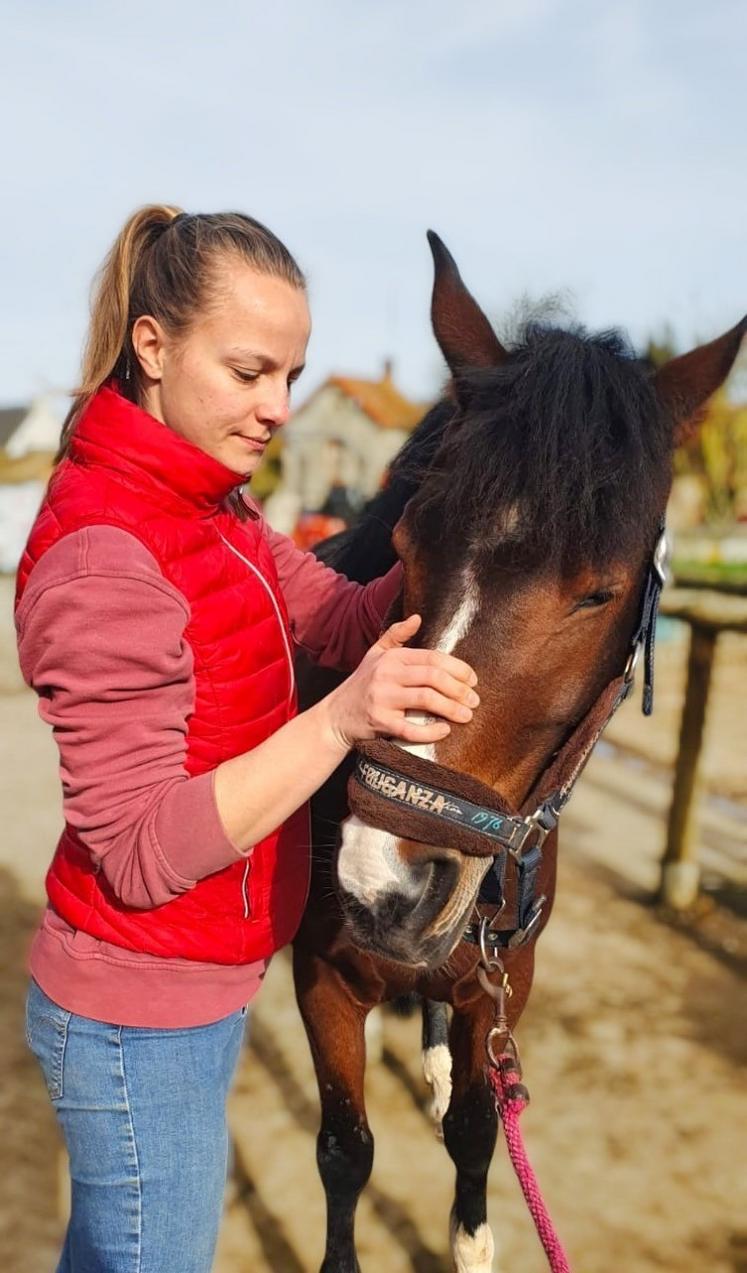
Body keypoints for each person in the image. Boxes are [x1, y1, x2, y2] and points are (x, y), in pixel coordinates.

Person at [16, 205, 480, 1273]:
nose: (279, 407)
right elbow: (140, 849)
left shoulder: (214, 508)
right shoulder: (104, 552)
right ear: (153, 346)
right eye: (250, 370)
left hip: (196, 989)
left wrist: (445, 552)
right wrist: (340, 719)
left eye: (293, 373)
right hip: (135, 1018)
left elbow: (332, 617)